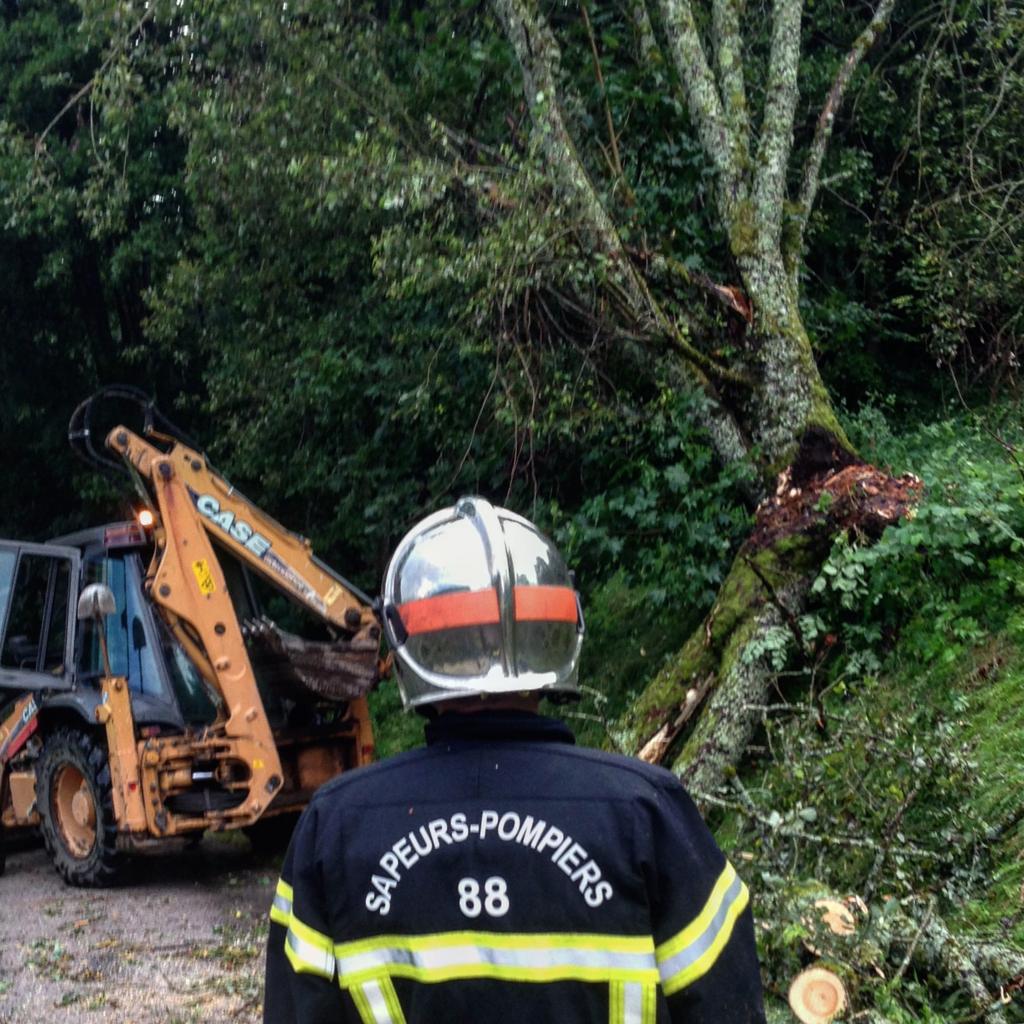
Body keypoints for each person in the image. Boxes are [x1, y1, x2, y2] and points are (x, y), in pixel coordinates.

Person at [264, 497, 766, 1023]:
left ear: (406, 643)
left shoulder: (334, 827)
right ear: (560, 631)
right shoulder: (648, 813)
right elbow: (727, 1008)